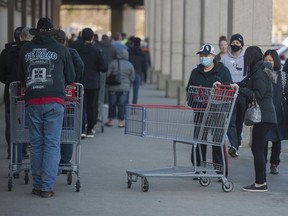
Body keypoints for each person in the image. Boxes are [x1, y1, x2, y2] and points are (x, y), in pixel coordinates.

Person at [18, 17, 76, 198]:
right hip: (55, 100)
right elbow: (71, 75)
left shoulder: (25, 49)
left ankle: (37, 185)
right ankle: (46, 187)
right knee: (51, 144)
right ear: (52, 32)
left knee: (36, 144)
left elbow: (21, 76)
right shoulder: (61, 49)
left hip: (33, 100)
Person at [234, 46, 277, 192]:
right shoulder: (257, 71)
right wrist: (229, 85)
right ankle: (261, 181)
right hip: (265, 116)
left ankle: (260, 183)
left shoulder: (259, 73)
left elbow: (257, 95)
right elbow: (242, 83)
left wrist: (240, 90)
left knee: (257, 149)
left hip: (264, 116)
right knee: (259, 149)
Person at [186, 44, 232, 175]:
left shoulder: (222, 71)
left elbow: (229, 89)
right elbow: (189, 89)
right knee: (199, 140)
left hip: (217, 111)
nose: (203, 58)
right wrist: (193, 104)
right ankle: (199, 168)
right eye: (201, 56)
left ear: (213, 56)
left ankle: (220, 170)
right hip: (200, 111)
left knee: (217, 141)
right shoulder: (196, 72)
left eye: (206, 55)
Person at [53, 29, 84, 170]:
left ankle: (49, 161)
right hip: (68, 95)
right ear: (65, 41)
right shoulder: (71, 52)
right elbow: (81, 67)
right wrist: (74, 83)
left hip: (51, 95)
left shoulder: (49, 53)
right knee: (67, 128)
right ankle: (65, 161)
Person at [73, 27, 107, 138]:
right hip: (93, 82)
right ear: (92, 37)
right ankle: (90, 129)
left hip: (79, 81)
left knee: (80, 105)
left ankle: (81, 128)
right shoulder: (96, 50)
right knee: (91, 106)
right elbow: (103, 67)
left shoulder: (75, 48)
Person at [0, 26, 25, 160]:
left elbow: (1, 75)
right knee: (25, 118)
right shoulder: (29, 51)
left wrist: (10, 81)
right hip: (27, 90)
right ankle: (24, 149)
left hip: (10, 88)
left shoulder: (6, 51)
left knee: (11, 118)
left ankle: (12, 150)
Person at [263, 49, 288, 175]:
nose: (268, 62)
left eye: (270, 60)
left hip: (278, 111)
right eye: (266, 60)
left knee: (277, 140)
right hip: (264, 111)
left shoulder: (282, 75)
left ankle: (274, 163)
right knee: (264, 139)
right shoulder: (262, 73)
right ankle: (262, 162)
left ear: (275, 61)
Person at [220, 33, 245, 157]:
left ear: (242, 45)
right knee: (231, 120)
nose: (235, 45)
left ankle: (237, 142)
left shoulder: (246, 59)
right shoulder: (224, 59)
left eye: (238, 43)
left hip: (242, 94)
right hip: (229, 94)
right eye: (233, 42)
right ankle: (233, 146)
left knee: (240, 120)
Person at [104, 49, 135, 128]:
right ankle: (121, 122)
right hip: (125, 88)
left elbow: (107, 74)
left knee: (112, 104)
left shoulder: (113, 62)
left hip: (113, 87)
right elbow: (132, 77)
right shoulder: (129, 64)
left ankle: (110, 120)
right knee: (122, 104)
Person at [97, 35, 116, 124]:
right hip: (110, 68)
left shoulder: (98, 47)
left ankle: (102, 101)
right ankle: (107, 101)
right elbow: (115, 58)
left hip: (101, 70)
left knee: (101, 88)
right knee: (108, 87)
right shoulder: (112, 47)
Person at [128, 37, 148, 104]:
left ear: (133, 43)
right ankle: (134, 108)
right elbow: (144, 66)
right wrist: (144, 78)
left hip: (129, 74)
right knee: (135, 93)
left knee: (127, 92)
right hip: (138, 74)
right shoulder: (142, 53)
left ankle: (126, 107)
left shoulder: (129, 52)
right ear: (139, 44)